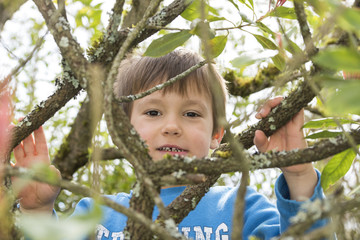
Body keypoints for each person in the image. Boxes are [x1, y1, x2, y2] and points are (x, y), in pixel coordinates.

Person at [2, 49, 326, 239]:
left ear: (217, 136)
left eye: (191, 113)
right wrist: (38, 210)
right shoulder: (97, 214)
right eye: (153, 112)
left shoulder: (242, 207)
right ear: (123, 132)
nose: (171, 126)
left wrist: (299, 176)